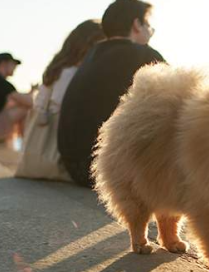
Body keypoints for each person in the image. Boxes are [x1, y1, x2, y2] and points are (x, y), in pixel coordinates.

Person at [58, 0, 165, 187]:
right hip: (107, 173)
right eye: (148, 24)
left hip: (75, 167)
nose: (150, 31)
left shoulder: (92, 55)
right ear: (136, 25)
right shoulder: (143, 55)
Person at [15, 19, 105, 181]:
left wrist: (41, 112)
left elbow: (42, 98)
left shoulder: (57, 67)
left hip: (45, 118)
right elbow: (63, 102)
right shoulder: (75, 72)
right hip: (61, 124)